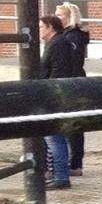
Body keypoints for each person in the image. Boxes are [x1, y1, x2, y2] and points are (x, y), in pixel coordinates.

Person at [39, 15, 73, 189]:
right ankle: (58, 173)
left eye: (41, 27)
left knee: (54, 137)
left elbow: (58, 70)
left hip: (54, 95)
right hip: (56, 92)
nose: (39, 31)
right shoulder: (56, 43)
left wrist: (48, 92)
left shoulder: (57, 44)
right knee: (56, 137)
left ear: (50, 27)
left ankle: (61, 175)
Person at [55, 1, 89, 175]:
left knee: (74, 127)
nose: (56, 17)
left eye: (60, 15)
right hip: (73, 81)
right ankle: (74, 162)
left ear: (69, 17)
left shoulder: (73, 37)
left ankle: (75, 164)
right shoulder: (67, 36)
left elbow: (74, 63)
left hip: (73, 83)